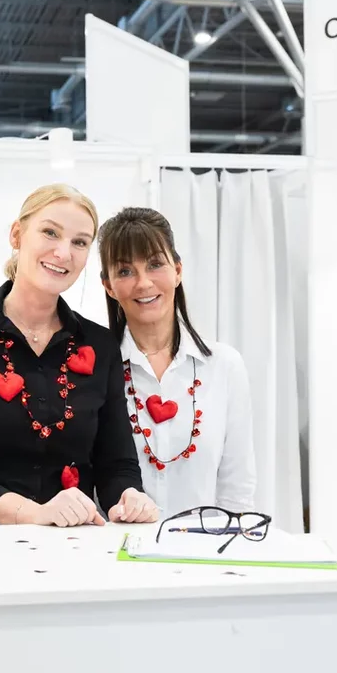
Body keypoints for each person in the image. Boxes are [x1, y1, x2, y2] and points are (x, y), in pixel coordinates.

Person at [0, 184, 159, 528]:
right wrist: (34, 514)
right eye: (50, 232)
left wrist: (129, 498)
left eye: (80, 242)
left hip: (72, 536)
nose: (63, 253)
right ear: (17, 235)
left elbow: (116, 464)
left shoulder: (100, 344)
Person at [96, 207, 255, 517]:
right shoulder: (95, 370)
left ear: (178, 270)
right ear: (109, 286)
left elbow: (237, 489)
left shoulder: (224, 366)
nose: (143, 283)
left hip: (205, 543)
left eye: (155, 264)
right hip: (116, 544)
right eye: (125, 271)